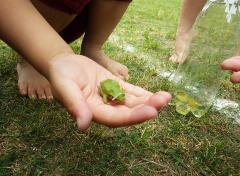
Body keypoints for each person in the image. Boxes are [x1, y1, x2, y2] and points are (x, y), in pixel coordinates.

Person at [0, 0, 172, 131]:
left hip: (80, 18)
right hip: (34, 21)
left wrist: (115, 96)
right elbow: (105, 92)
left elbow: (112, 93)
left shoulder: (117, 95)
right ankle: (30, 60)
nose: (119, 100)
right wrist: (54, 57)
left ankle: (93, 48)